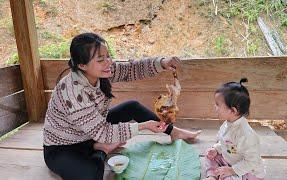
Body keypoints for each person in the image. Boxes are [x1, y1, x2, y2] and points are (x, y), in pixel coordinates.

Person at [43, 32, 200, 180]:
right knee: (91, 175)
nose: (108, 62)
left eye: (108, 56)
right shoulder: (72, 91)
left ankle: (173, 132)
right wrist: (142, 126)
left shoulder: (104, 71)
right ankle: (103, 149)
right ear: (82, 65)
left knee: (131, 106)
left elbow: (132, 69)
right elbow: (103, 132)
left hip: (92, 132)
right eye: (100, 59)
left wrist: (163, 63)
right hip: (64, 147)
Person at [203, 78, 265, 180]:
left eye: (218, 104)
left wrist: (231, 170)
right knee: (209, 156)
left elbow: (252, 161)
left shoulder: (245, 134)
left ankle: (222, 174)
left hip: (246, 170)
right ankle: (212, 176)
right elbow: (226, 143)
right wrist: (216, 149)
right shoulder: (228, 123)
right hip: (230, 160)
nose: (215, 107)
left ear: (233, 110)